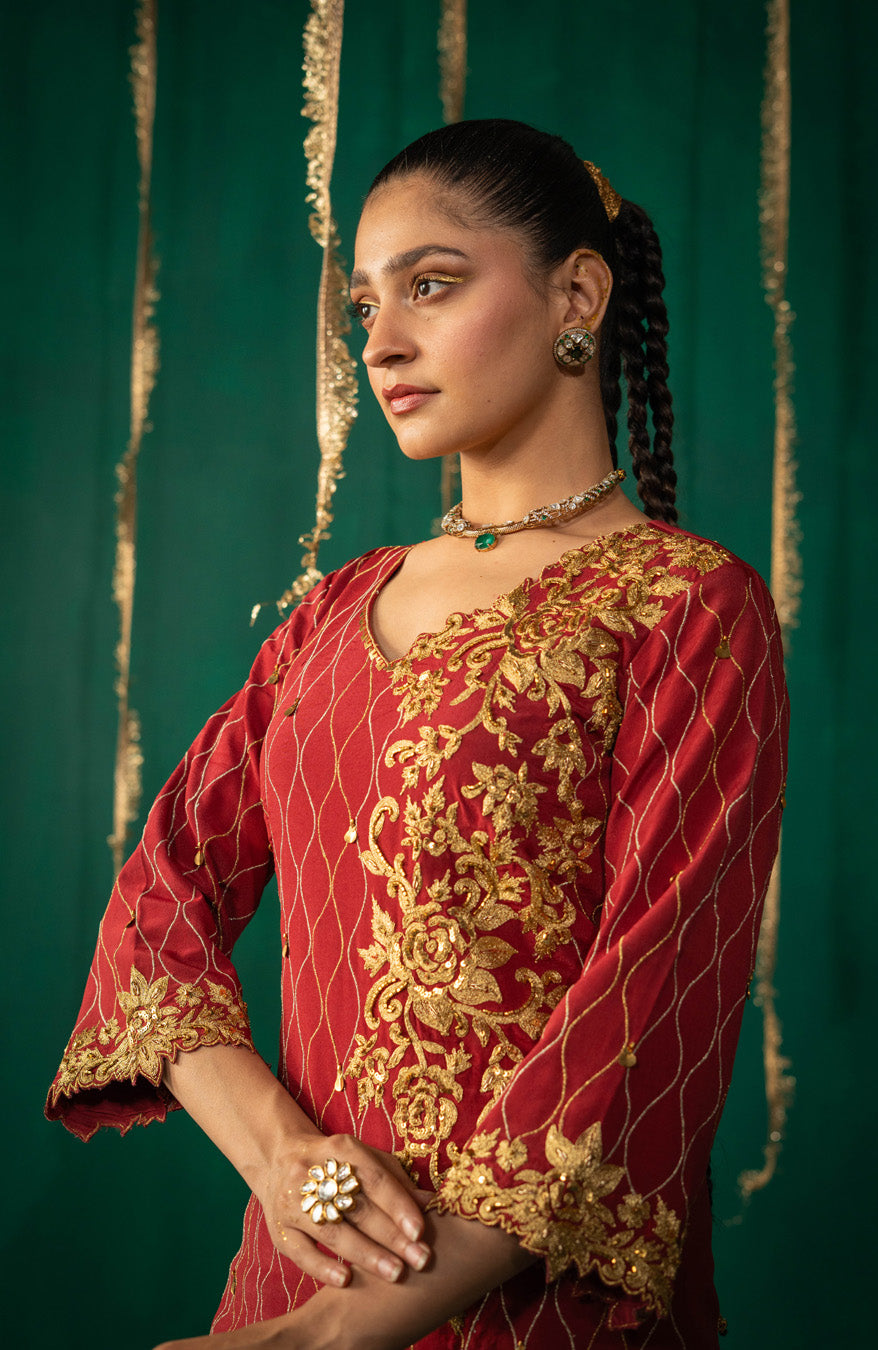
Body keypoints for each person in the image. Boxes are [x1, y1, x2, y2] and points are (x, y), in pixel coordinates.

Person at [47, 120, 788, 1348]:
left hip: (534, 1308)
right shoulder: (335, 614)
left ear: (579, 294)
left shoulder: (686, 607)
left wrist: (357, 1327)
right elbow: (156, 905)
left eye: (431, 287)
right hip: (285, 1292)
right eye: (364, 307)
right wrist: (287, 1164)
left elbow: (653, 998)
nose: (381, 343)